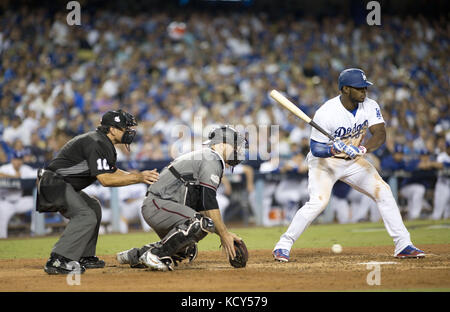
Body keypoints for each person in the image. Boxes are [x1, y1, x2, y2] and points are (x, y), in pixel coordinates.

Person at [273, 68, 426, 262]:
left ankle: (403, 244)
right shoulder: (327, 113)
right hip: (324, 163)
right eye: (359, 88)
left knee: (384, 191)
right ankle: (283, 245)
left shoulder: (370, 106)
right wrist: (334, 149)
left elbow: (380, 134)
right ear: (345, 89)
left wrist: (363, 149)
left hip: (353, 161)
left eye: (365, 88)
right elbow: (316, 148)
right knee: (318, 203)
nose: (364, 92)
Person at [36, 109, 159, 275]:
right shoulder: (97, 143)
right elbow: (106, 179)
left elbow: (113, 171)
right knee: (85, 215)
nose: (129, 131)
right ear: (113, 130)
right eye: (125, 128)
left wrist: (139, 176)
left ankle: (85, 256)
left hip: (59, 183)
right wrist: (138, 178)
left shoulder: (102, 142)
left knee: (93, 206)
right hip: (54, 183)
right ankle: (58, 259)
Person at [116, 125, 247, 271]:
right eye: (234, 146)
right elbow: (208, 202)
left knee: (186, 248)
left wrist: (225, 233)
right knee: (198, 224)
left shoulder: (207, 157)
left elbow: (203, 207)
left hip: (163, 206)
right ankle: (155, 255)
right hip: (158, 205)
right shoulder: (211, 158)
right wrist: (224, 235)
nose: (237, 151)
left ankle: (136, 255)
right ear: (222, 144)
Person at [0, 151, 37, 238]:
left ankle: (35, 231)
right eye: (16, 159)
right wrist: (14, 177)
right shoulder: (5, 168)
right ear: (12, 160)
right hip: (5, 203)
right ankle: (3, 242)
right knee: (1, 229)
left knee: (37, 203)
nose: (18, 162)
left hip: (19, 202)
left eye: (20, 159)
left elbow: (37, 173)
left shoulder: (25, 169)